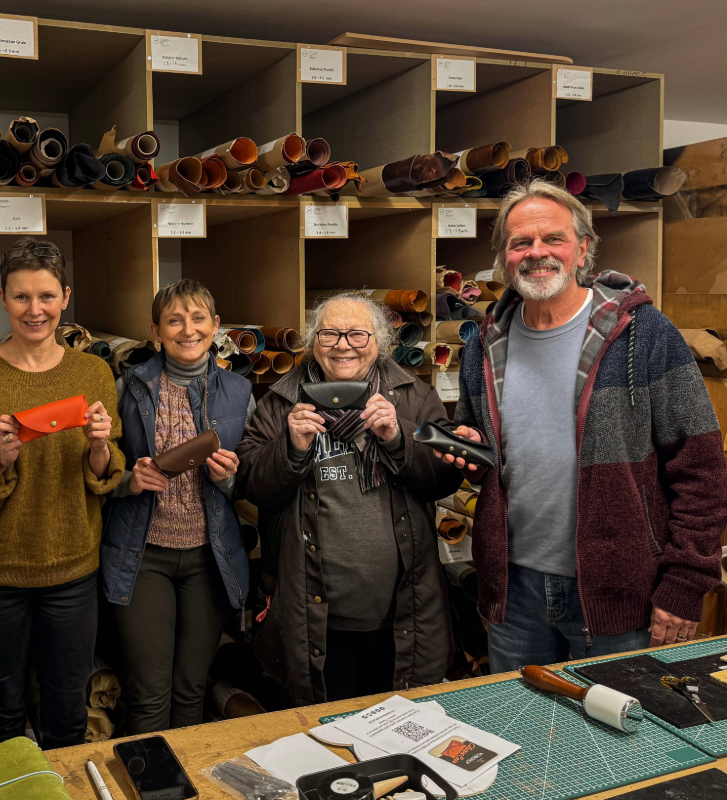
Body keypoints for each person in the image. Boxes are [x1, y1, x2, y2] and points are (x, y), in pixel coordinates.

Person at [444, 178, 727, 673]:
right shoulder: (484, 343)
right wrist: (470, 449)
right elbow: (486, 453)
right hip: (514, 592)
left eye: (552, 238)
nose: (537, 252)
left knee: (624, 720)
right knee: (520, 719)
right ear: (504, 258)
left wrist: (684, 584)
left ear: (582, 249)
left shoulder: (644, 334)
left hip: (621, 592)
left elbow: (701, 470)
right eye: (520, 242)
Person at [235, 292, 462, 703]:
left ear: (379, 341)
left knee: (394, 720)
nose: (343, 345)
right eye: (330, 334)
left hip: (402, 612)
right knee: (327, 726)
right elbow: (252, 484)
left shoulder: (414, 396)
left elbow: (444, 478)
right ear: (313, 340)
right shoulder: (281, 401)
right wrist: (291, 448)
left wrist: (398, 438)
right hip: (313, 617)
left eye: (357, 334)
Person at [0, 238, 124, 749]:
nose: (34, 310)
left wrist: (98, 446)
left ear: (65, 297)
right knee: (2, 711)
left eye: (46, 296)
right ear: (3, 299)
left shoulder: (93, 372)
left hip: (71, 568)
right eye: (21, 297)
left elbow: (105, 471)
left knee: (67, 708)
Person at [101, 279, 253, 733]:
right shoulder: (127, 387)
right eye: (174, 320)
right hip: (142, 557)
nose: (188, 330)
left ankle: (186, 772)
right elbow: (95, 475)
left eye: (198, 318)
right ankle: (153, 773)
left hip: (211, 559)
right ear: (156, 331)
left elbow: (255, 482)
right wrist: (129, 481)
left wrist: (229, 480)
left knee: (191, 690)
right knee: (149, 694)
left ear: (215, 325)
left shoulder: (240, 391)